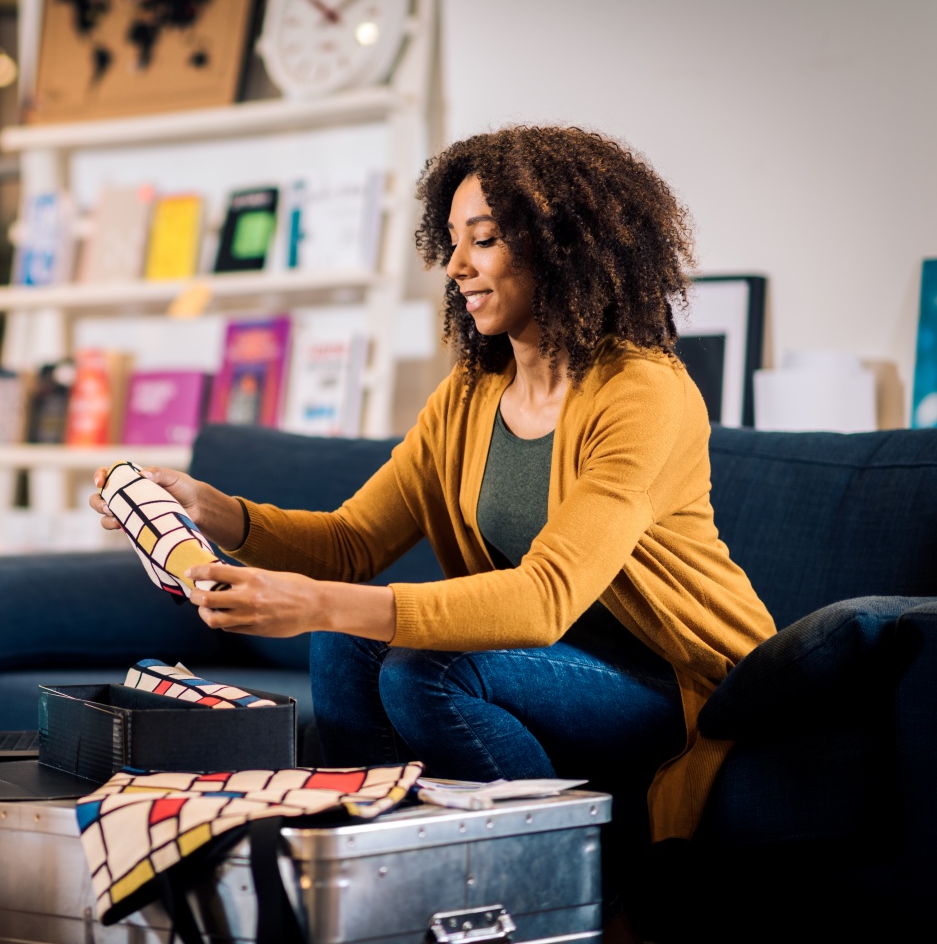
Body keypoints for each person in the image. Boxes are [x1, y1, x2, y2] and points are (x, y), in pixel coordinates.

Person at [90, 125, 776, 930]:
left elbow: (543, 599)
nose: (455, 266)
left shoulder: (643, 394)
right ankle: (390, 888)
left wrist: (316, 600)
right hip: (548, 663)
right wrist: (217, 510)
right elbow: (350, 540)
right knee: (343, 643)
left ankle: (566, 899)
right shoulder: (469, 396)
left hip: (670, 679)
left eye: (483, 239)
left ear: (563, 246)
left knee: (426, 672)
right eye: (451, 241)